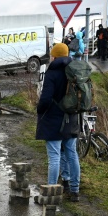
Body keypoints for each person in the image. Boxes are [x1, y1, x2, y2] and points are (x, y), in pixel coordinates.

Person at [36, 43, 81, 202]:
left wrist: (39, 110)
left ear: (54, 56)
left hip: (55, 119)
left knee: (54, 156)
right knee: (72, 153)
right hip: (72, 118)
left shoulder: (52, 73)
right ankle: (74, 191)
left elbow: (46, 99)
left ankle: (51, 192)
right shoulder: (75, 70)